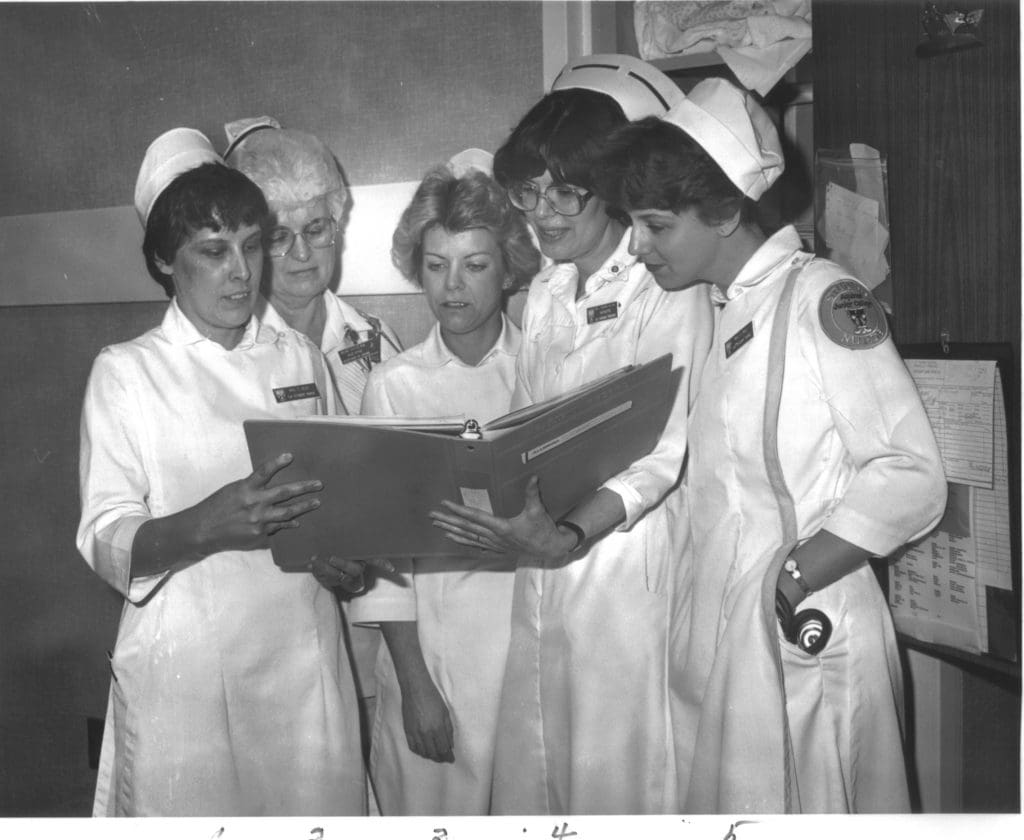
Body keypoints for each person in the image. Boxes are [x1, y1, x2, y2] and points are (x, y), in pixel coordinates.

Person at [596, 78, 948, 813]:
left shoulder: (822, 297)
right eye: (634, 223)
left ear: (724, 212)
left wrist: (787, 583)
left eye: (656, 224)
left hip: (805, 637)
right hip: (730, 645)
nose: (637, 246)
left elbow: (911, 473)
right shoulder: (718, 312)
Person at [428, 55, 715, 814]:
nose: (544, 211)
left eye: (565, 191)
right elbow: (527, 428)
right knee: (541, 767)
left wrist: (572, 532)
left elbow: (668, 452)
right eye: (529, 192)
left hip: (623, 566)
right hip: (543, 559)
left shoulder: (666, 286)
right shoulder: (548, 292)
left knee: (618, 774)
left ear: (612, 188)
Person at [77, 128, 380, 816]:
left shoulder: (299, 357)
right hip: (189, 677)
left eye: (250, 246)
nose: (242, 272)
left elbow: (337, 507)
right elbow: (103, 535)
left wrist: (345, 562)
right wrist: (207, 526)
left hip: (305, 665)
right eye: (214, 252)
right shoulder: (128, 372)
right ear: (163, 262)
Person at [347, 149, 541, 815]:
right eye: (435, 266)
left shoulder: (543, 373)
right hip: (433, 659)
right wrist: (414, 684)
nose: (452, 286)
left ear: (509, 269)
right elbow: (382, 555)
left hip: (528, 656)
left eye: (474, 265)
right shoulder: (393, 386)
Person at [224, 117, 403, 740]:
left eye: (316, 229)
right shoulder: (227, 352)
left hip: (369, 623)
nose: (301, 254)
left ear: (338, 227)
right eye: (278, 236)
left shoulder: (375, 343)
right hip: (265, 626)